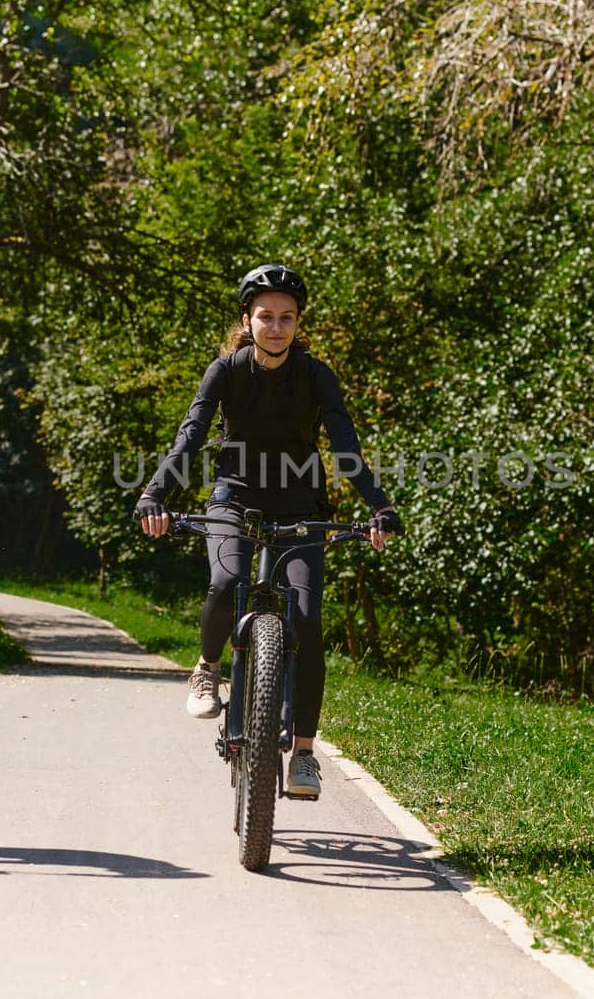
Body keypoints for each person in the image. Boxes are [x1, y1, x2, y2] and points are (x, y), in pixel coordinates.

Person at [135, 264, 401, 799]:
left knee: (306, 617)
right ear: (247, 320)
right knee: (226, 582)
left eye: (287, 317)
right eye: (266, 316)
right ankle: (208, 667)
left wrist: (379, 506)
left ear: (298, 323)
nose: (276, 326)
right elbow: (190, 440)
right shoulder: (226, 371)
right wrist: (153, 495)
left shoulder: (315, 375)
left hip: (300, 504)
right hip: (235, 498)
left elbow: (345, 449)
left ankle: (303, 755)